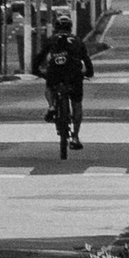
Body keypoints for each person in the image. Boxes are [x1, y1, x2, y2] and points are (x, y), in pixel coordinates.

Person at [40, 14, 93, 155]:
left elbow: (40, 58)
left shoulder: (51, 40)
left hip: (55, 73)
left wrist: (38, 72)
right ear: (70, 28)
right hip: (74, 75)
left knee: (49, 86)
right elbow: (86, 60)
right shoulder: (77, 41)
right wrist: (89, 73)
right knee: (77, 103)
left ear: (55, 28)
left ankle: (51, 106)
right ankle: (75, 137)